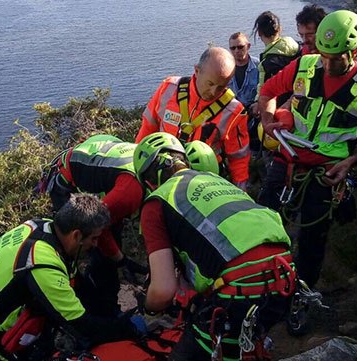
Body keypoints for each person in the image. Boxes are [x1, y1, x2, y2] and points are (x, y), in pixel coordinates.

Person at [134, 133, 296, 360]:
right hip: (284, 278)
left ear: (149, 182)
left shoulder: (157, 201)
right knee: (244, 344)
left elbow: (162, 291)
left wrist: (149, 307)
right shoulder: (219, 182)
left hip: (240, 291)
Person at [257, 10, 357, 292]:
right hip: (287, 158)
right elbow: (267, 91)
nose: (327, 65)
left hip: (326, 173)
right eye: (324, 56)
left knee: (312, 240)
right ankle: (259, 281)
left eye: (336, 58)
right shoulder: (304, 65)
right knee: (261, 219)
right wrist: (268, 120)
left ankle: (301, 295)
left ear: (356, 50)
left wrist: (350, 162)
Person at [0, 194, 142, 361]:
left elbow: (76, 283)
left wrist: (107, 310)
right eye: (93, 238)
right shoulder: (42, 264)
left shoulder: (40, 226)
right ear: (76, 235)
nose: (95, 244)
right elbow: (80, 324)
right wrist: (125, 328)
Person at [38, 134, 148, 317]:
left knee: (106, 248)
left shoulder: (143, 158)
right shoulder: (131, 189)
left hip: (78, 165)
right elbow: (99, 226)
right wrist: (120, 259)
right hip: (65, 185)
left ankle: (99, 304)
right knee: (88, 249)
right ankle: (93, 313)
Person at [136, 47, 250, 190]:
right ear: (197, 71)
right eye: (210, 84)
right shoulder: (169, 88)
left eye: (221, 87)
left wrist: (240, 193)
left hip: (202, 183)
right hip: (161, 174)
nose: (213, 92)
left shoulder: (233, 112)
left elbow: (238, 158)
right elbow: (147, 129)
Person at [252, 11, 300, 111]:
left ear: (259, 33)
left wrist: (257, 104)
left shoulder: (266, 65)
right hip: (299, 101)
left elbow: (263, 90)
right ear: (279, 29)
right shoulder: (298, 47)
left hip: (279, 107)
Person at [226, 32, 258, 110]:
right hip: (232, 114)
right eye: (233, 48)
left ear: (248, 46)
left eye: (240, 47)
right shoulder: (225, 68)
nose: (237, 51)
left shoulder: (259, 66)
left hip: (253, 113)